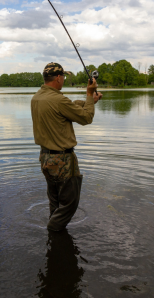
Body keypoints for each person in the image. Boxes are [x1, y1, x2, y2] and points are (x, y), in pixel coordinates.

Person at [31, 62, 102, 231]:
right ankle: (52, 230)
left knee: (55, 202)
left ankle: (55, 241)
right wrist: (90, 93)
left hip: (45, 158)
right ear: (57, 78)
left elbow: (66, 108)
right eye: (63, 77)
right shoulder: (58, 100)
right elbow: (86, 118)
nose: (64, 80)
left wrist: (89, 101)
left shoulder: (36, 98)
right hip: (63, 160)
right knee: (70, 204)